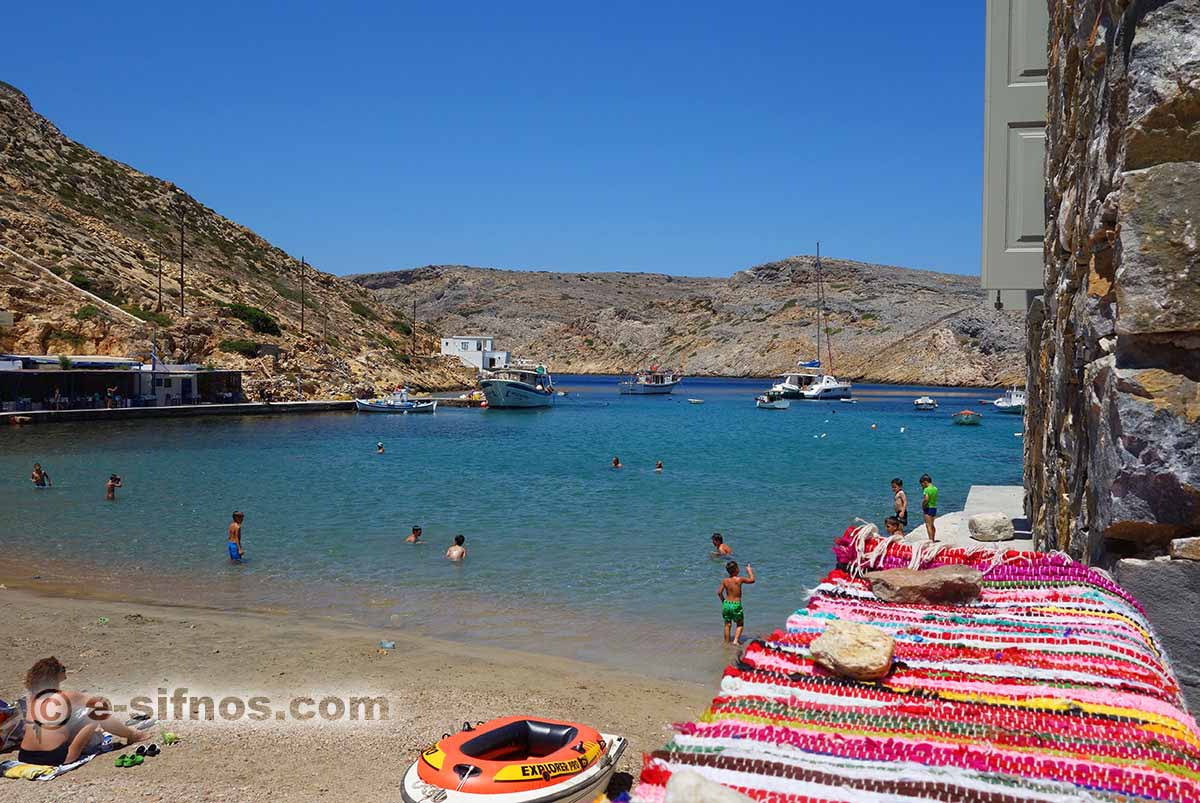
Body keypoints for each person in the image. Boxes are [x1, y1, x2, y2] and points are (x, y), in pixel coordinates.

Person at [18, 656, 150, 766]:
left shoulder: (31, 698)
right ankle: (132, 735)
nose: (66, 671)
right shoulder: (67, 696)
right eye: (63, 669)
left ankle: (129, 734)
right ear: (55, 675)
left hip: (25, 756)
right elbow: (101, 704)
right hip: (57, 758)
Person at [718, 561, 755, 645]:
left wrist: (723, 601)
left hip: (726, 604)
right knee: (740, 624)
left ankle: (726, 642)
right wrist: (749, 570)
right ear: (737, 570)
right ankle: (735, 641)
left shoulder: (725, 580)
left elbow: (719, 592)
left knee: (727, 624)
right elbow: (752, 580)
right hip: (736, 605)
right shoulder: (739, 579)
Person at [919, 474, 939, 542]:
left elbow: (926, 499)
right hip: (934, 507)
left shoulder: (926, 490)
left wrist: (922, 505)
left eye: (922, 484)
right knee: (932, 525)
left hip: (928, 508)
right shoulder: (935, 488)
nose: (922, 486)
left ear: (925, 482)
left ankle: (930, 540)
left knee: (928, 525)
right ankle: (933, 538)